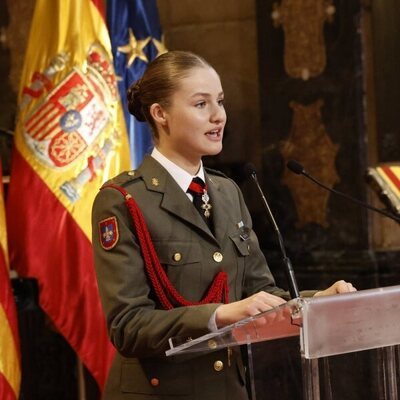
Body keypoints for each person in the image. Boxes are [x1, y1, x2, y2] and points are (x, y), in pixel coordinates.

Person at [91, 50, 356, 400]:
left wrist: (315, 302)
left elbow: (261, 294)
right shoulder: (123, 200)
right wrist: (219, 315)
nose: (219, 116)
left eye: (220, 101)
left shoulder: (227, 191)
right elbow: (128, 326)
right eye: (201, 104)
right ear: (160, 114)